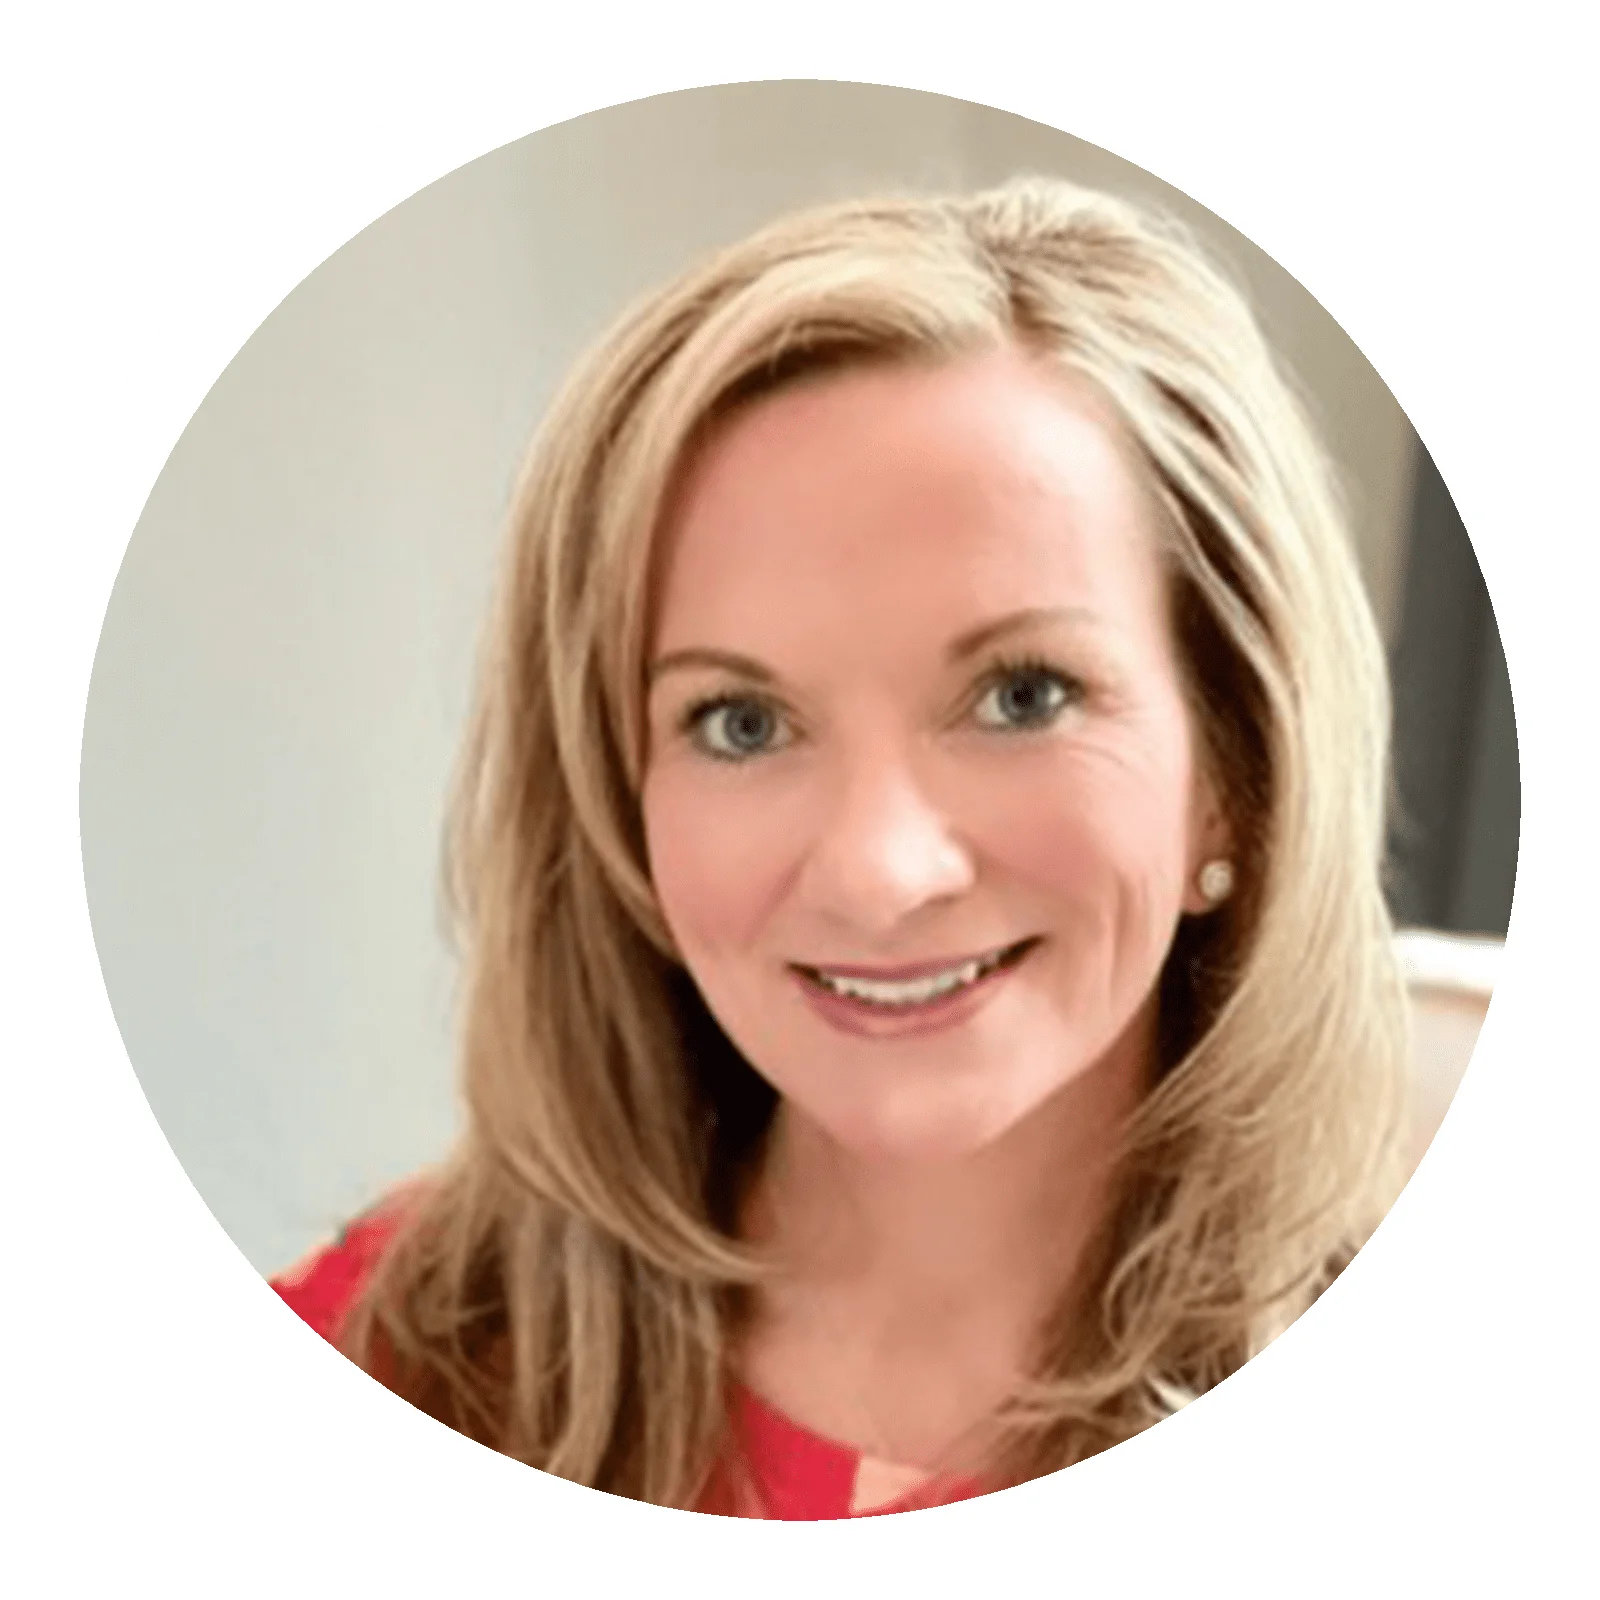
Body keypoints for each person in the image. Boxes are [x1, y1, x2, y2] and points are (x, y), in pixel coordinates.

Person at [273, 176, 1410, 1518]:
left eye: (1023, 695)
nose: (880, 869)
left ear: (1234, 766)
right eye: (742, 721)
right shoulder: (389, 1353)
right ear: (613, 793)